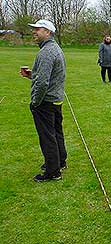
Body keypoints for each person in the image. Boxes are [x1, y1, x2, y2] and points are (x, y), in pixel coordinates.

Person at [20, 19, 67, 182]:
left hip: (46, 102)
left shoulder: (46, 52)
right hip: (55, 100)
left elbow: (43, 83)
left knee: (47, 136)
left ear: (48, 32)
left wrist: (35, 102)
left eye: (38, 29)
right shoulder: (54, 49)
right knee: (56, 133)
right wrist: (31, 75)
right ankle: (60, 161)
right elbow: (46, 76)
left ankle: (53, 172)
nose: (34, 32)